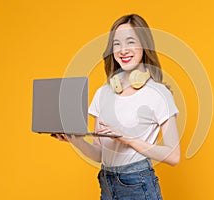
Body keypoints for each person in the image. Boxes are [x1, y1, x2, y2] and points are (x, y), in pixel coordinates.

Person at [52, 14, 180, 200]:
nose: (123, 50)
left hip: (138, 185)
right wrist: (76, 141)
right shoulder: (102, 94)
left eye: (130, 42)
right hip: (107, 183)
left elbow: (173, 156)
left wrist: (128, 139)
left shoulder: (158, 94)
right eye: (117, 43)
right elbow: (100, 154)